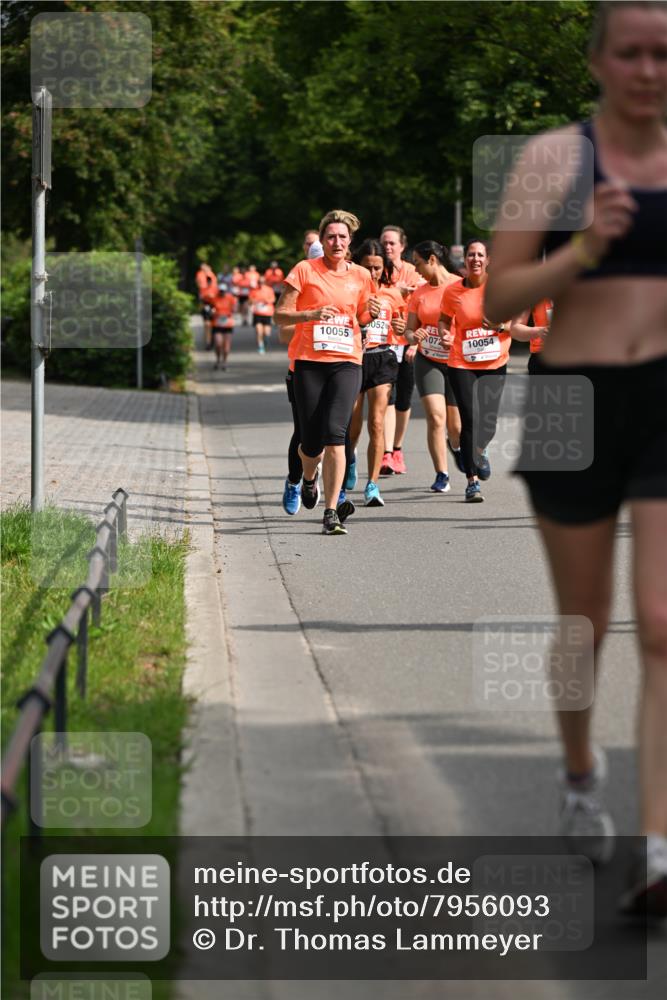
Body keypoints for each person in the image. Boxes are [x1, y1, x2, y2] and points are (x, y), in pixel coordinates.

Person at [484, 0, 667, 915]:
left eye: (662, 54)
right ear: (597, 60)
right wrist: (586, 248)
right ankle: (578, 773)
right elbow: (494, 300)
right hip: (570, 397)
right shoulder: (551, 161)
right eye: (629, 53)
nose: (647, 69)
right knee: (581, 621)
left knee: (665, 618)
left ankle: (661, 848)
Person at [275, 210, 376, 535]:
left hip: (347, 361)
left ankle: (331, 511)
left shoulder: (361, 275)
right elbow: (280, 316)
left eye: (342, 237)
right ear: (322, 240)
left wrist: (370, 313)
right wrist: (312, 314)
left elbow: (361, 316)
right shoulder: (305, 271)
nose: (336, 242)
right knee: (310, 440)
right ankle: (307, 478)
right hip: (308, 363)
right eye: (331, 236)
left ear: (350, 243)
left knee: (337, 435)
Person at [439, 239, 513, 503]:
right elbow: (444, 320)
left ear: (488, 260)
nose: (475, 260)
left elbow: (514, 319)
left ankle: (479, 450)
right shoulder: (453, 292)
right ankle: (472, 482)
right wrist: (445, 334)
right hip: (462, 362)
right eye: (471, 255)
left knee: (488, 422)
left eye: (480, 255)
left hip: (494, 362)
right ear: (465, 260)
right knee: (470, 419)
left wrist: (500, 325)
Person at [348, 239, 406, 507]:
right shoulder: (349, 289)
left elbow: (403, 327)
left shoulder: (393, 294)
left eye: (377, 268)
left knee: (377, 422)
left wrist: (402, 326)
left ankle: (372, 485)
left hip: (383, 358)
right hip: (354, 359)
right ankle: (349, 458)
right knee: (353, 424)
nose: (372, 272)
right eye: (367, 267)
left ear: (384, 269)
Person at [405, 241, 463, 493]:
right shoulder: (419, 292)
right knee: (436, 417)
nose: (415, 270)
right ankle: (442, 473)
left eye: (417, 263)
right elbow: (408, 330)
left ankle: (459, 447)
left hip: (457, 360)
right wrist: (411, 337)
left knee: (456, 426)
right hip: (428, 359)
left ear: (431, 260)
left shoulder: (460, 286)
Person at [379, 225, 425, 475]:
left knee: (404, 400)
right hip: (382, 343)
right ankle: (385, 453)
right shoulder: (374, 270)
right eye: (384, 242)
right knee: (387, 396)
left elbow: (426, 307)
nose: (387, 247)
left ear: (402, 246)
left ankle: (397, 448)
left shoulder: (413, 271)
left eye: (392, 243)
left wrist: (415, 342)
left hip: (406, 343)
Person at [510, 300, 552, 373]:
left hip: (576, 356)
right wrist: (539, 332)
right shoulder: (535, 290)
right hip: (543, 358)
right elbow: (515, 329)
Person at [210, 283, 236, 370]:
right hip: (217, 323)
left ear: (226, 291)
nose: (222, 293)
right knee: (218, 343)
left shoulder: (230, 298)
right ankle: (218, 360)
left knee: (226, 346)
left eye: (223, 291)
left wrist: (230, 312)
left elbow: (234, 308)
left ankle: (224, 362)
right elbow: (211, 309)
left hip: (228, 324)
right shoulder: (214, 298)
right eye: (220, 291)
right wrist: (213, 312)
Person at [249, 276, 276, 354]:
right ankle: (260, 346)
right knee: (259, 331)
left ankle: (265, 340)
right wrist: (253, 301)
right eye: (259, 282)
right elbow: (250, 301)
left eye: (262, 282)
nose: (261, 284)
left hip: (267, 313)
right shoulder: (254, 290)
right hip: (257, 313)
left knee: (266, 333)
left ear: (265, 282)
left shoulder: (269, 289)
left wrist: (266, 301)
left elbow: (273, 299)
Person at [195, 262, 218, 348]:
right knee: (207, 324)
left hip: (214, 306)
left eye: (210, 280)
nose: (209, 282)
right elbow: (201, 298)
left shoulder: (215, 288)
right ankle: (208, 342)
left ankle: (212, 339)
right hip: (206, 305)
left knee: (213, 324)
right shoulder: (203, 289)